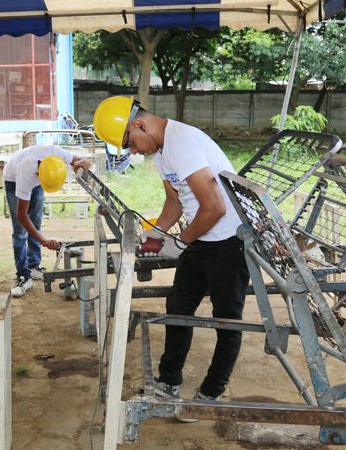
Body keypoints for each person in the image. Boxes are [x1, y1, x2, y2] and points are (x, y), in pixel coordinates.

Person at [93, 96, 250, 403]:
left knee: (228, 320)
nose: (133, 151)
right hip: (201, 238)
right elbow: (174, 201)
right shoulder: (163, 151)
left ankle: (211, 392)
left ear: (139, 124)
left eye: (131, 144)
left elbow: (215, 208)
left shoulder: (183, 143)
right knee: (178, 308)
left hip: (229, 241)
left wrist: (179, 242)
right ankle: (169, 383)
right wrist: (154, 234)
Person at [3, 145, 91, 297]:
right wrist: (43, 240)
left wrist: (80, 163)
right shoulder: (26, 173)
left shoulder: (56, 154)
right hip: (13, 180)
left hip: (37, 181)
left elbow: (78, 160)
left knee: (36, 223)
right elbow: (22, 215)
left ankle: (34, 266)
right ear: (38, 173)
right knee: (20, 231)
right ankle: (23, 275)